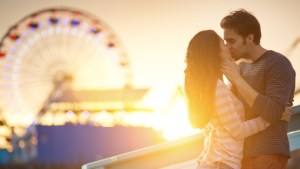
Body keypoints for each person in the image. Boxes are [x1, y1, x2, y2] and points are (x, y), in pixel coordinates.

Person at [184, 30, 291, 169]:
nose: (228, 46)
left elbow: (219, 129)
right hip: (222, 164)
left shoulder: (212, 88)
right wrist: (272, 117)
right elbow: (238, 131)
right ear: (214, 52)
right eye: (223, 43)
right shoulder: (218, 88)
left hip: (217, 162)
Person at [220, 9, 296, 169]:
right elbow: (232, 114)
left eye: (231, 41)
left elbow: (272, 112)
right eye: (225, 42)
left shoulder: (278, 64)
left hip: (267, 154)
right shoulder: (240, 69)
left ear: (250, 37)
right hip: (241, 157)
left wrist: (236, 80)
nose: (228, 47)